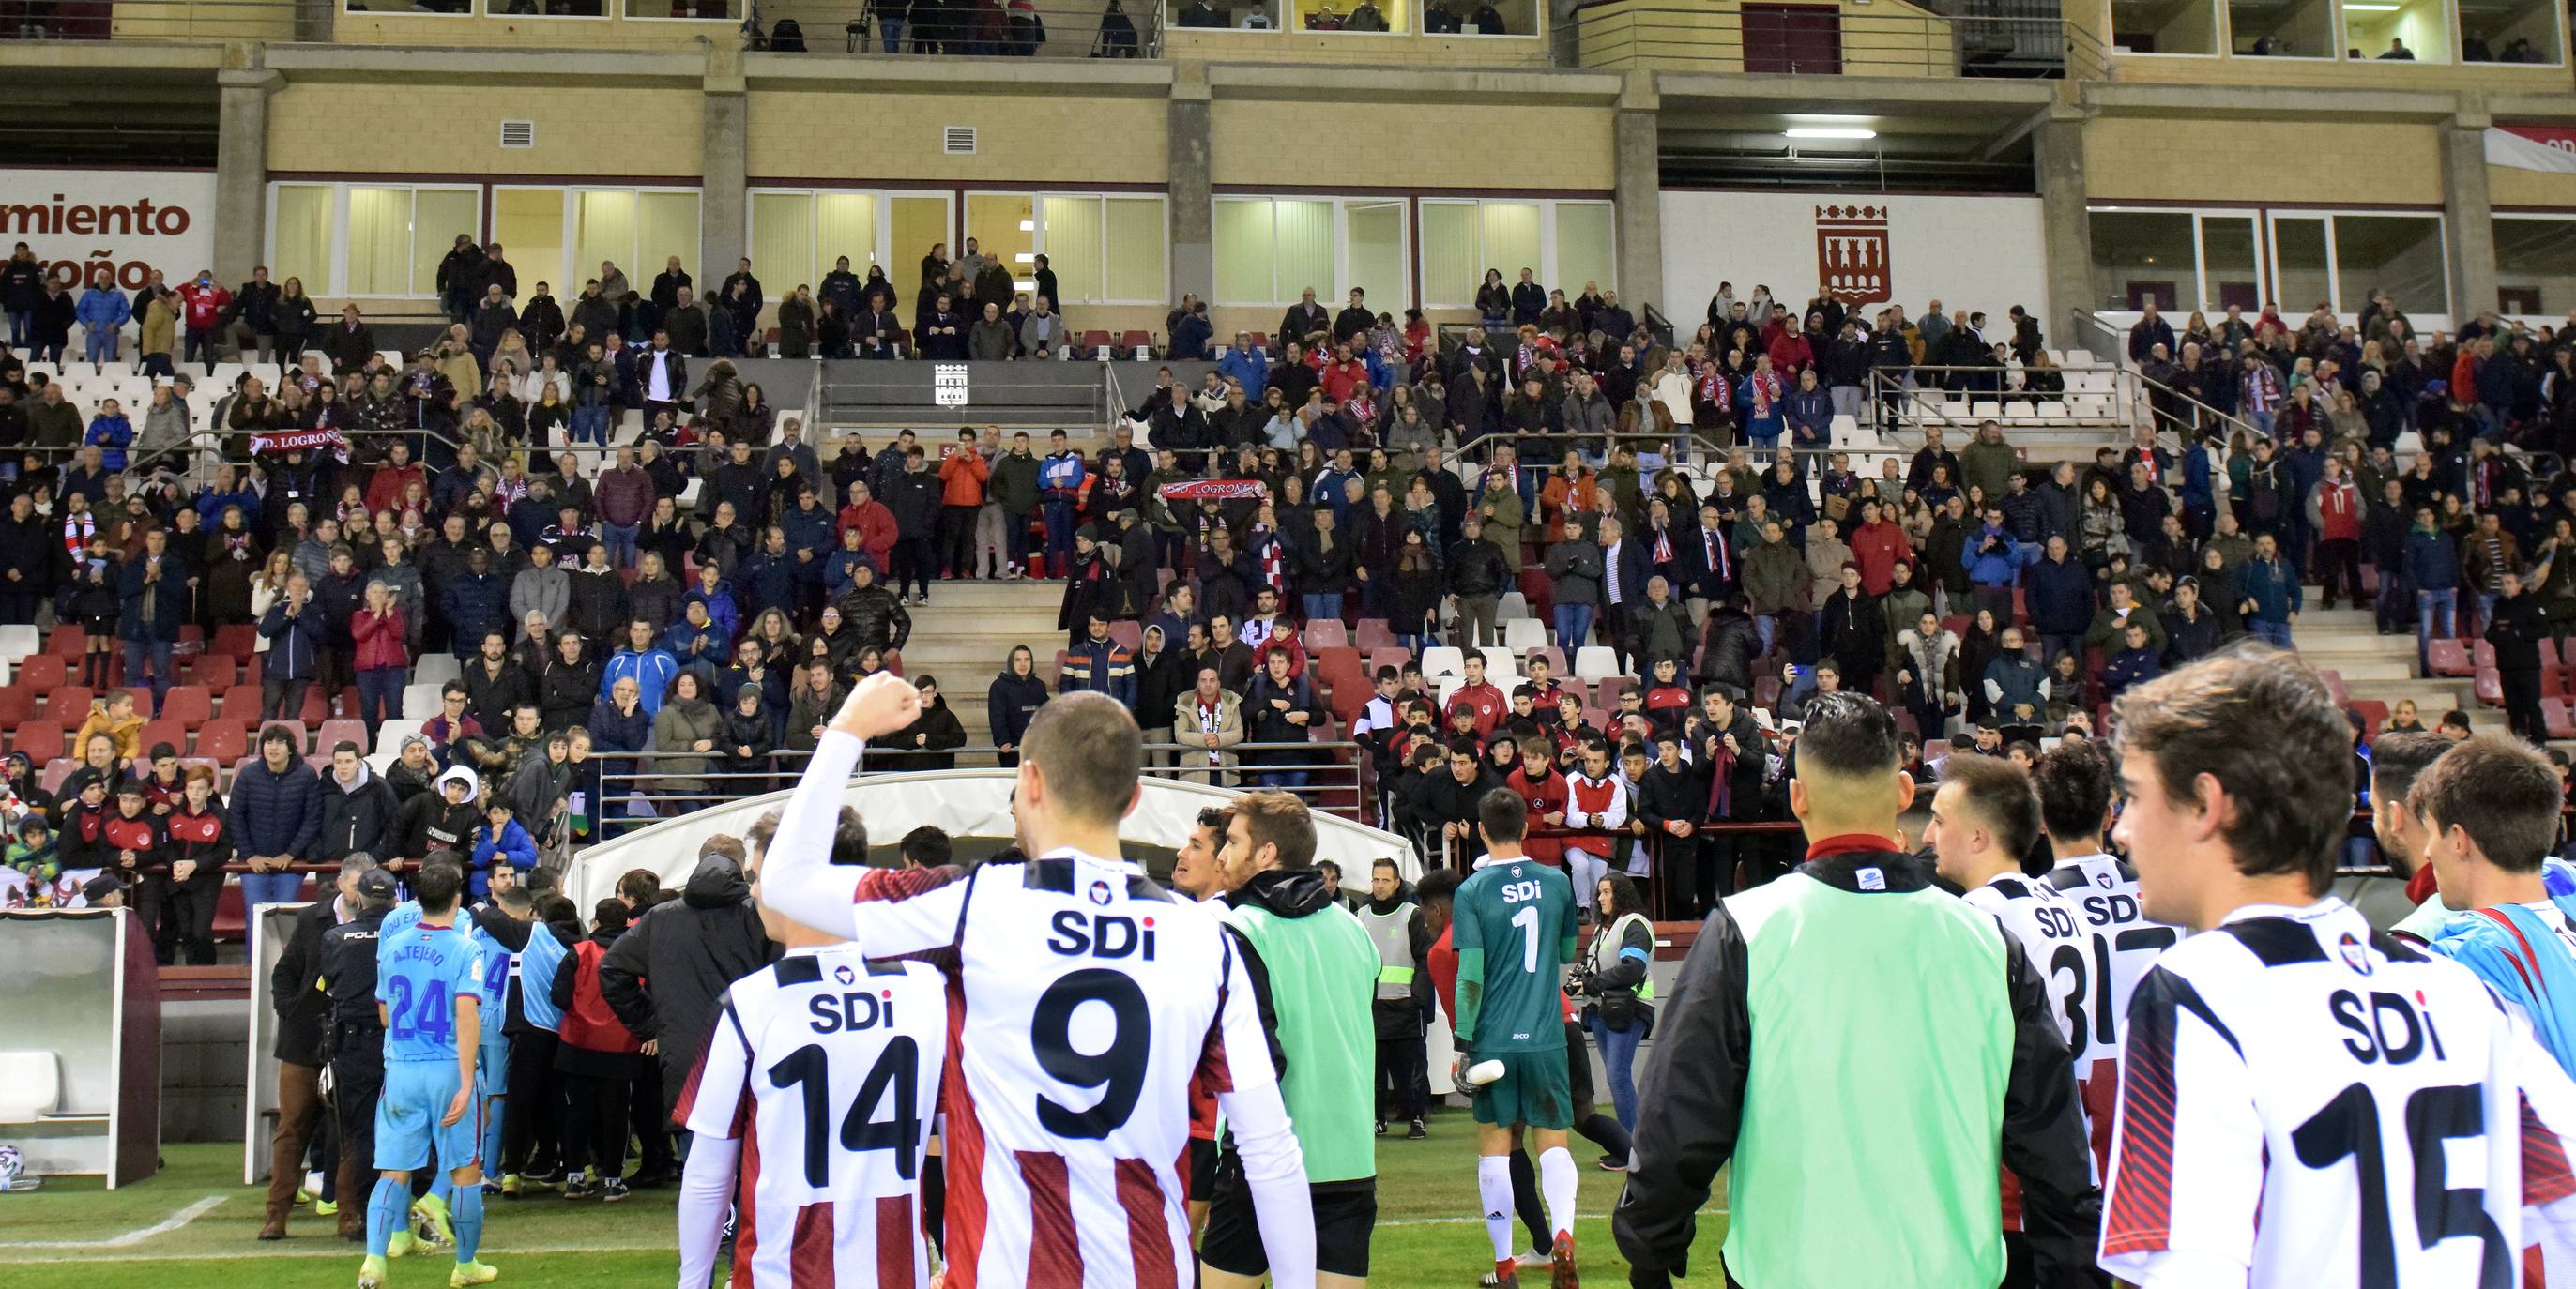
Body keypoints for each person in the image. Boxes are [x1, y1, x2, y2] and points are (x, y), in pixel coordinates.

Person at [754, 679, 1316, 1282]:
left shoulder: (968, 904)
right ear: (1133, 800)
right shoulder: (1206, 938)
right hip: (1147, 1266)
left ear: (1031, 781)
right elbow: (1270, 1153)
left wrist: (847, 730)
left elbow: (787, 880)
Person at [2099, 647, 2576, 1285]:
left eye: (2132, 797)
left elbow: (2186, 1269)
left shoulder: (2197, 991)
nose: (2122, 830)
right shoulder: (2453, 990)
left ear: (2206, 803)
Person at [1614, 692, 2100, 1289]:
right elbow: (2053, 1140)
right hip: (1953, 1270)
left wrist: (1651, 1245)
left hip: (1790, 1270)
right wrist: (2073, 1269)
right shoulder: (1986, 942)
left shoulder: (1748, 929)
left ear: (1797, 798)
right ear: (1903, 792)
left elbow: (1679, 1117)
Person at [673, 803, 950, 1289]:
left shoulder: (751, 1001)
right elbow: (963, 1146)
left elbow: (707, 1174)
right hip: (898, 1271)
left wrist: (692, 1283)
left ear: (793, 882)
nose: (753, 890)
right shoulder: (926, 989)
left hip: (783, 1272)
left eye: (758, 876)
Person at [1203, 792, 1380, 1289]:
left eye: (1233, 842)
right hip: (1349, 1157)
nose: (1222, 854)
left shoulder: (1237, 930)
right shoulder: (1353, 929)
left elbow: (1254, 1059)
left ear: (1266, 855)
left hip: (1266, 1157)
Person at [1450, 785, 1585, 1289]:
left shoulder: (1472, 891)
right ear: (1527, 829)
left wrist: (1463, 1044)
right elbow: (1567, 950)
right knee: (1553, 1141)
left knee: (1496, 1149)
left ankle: (1505, 1266)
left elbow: (1471, 975)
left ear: (1481, 831)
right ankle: (1564, 1235)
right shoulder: (1556, 882)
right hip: (1547, 1033)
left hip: (1494, 1039)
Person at [2032, 738, 2179, 1166]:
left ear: (2042, 820)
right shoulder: (2166, 895)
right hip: (2161, 1093)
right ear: (2109, 815)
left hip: (2080, 1101)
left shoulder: (2031, 905)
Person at [355, 858, 496, 1289]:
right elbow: (467, 1014)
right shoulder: (465, 947)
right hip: (448, 1069)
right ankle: (466, 1266)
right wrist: (469, 1079)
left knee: (392, 1172)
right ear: (458, 898)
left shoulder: (393, 945)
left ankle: (374, 1263)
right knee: (465, 1170)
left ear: (415, 898)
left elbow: (383, 1014)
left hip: (401, 1070)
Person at [601, 843, 779, 1182]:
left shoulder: (660, 918)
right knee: (754, 1157)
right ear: (741, 875)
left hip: (686, 1051)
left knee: (699, 1162)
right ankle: (738, 1226)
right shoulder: (757, 915)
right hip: (751, 1049)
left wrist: (649, 1025)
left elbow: (612, 969)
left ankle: (715, 1228)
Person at [2416, 735, 2576, 1070]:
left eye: (2431, 832)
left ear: (2459, 840)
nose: (2428, 851)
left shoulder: (2469, 954)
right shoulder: (2566, 892)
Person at [1572, 872, 1654, 1138]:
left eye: (1607, 892)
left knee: (1617, 1075)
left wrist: (1592, 984)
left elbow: (1632, 969)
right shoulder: (1605, 928)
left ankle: (1632, 1145)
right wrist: (1580, 979)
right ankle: (1633, 1142)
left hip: (1627, 1008)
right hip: (1604, 1009)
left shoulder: (1634, 924)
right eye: (1599, 893)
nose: (1601, 898)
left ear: (1621, 894)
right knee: (1615, 1075)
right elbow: (1595, 964)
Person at [1357, 857, 1433, 1141]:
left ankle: (1416, 1117)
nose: (1379, 885)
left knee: (1410, 1071)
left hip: (1405, 1006)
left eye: (1385, 880)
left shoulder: (1411, 914)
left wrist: (1417, 998)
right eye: (1375, 879)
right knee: (1373, 1071)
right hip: (1372, 1007)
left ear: (1397, 882)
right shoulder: (1361, 915)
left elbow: (1426, 959)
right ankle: (1377, 1118)